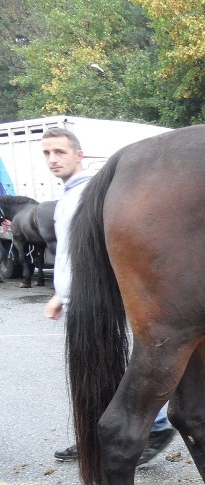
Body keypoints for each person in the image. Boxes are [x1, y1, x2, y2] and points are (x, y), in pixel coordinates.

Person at [42, 128, 176, 465]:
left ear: (78, 155)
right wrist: (61, 294)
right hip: (76, 299)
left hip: (96, 301)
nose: (52, 159)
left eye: (59, 152)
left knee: (110, 369)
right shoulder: (69, 195)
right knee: (93, 374)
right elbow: (70, 256)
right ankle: (94, 436)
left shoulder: (90, 193)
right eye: (47, 153)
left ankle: (155, 425)